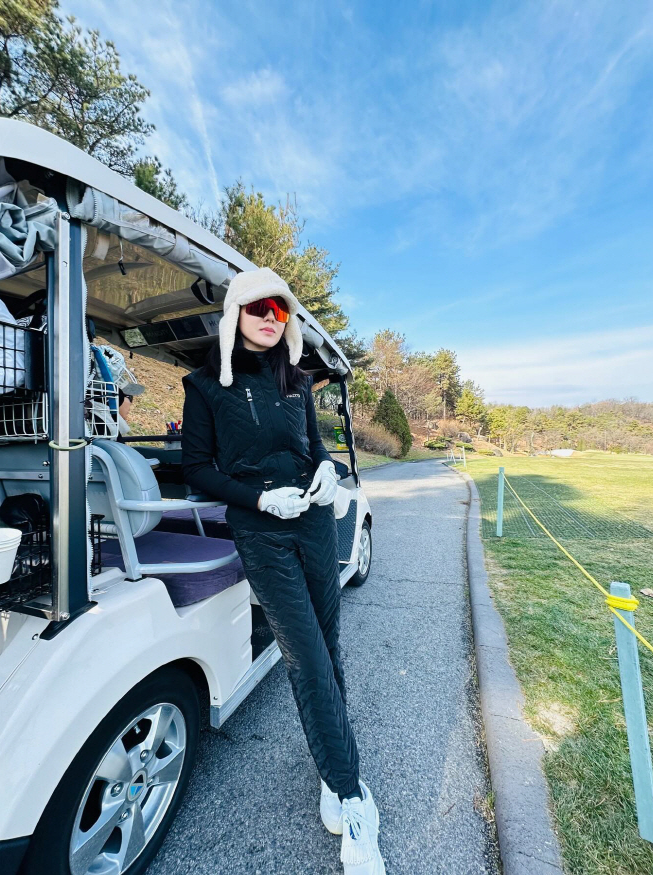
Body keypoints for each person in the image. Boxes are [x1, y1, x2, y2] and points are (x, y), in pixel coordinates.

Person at [181, 268, 385, 874]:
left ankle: (330, 771)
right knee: (307, 658)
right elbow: (198, 468)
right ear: (235, 313)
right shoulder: (205, 384)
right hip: (262, 528)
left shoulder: (298, 380)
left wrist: (327, 475)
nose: (272, 318)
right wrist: (258, 499)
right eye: (260, 307)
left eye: (281, 310)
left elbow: (313, 448)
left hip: (315, 521)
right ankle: (353, 797)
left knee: (330, 646)